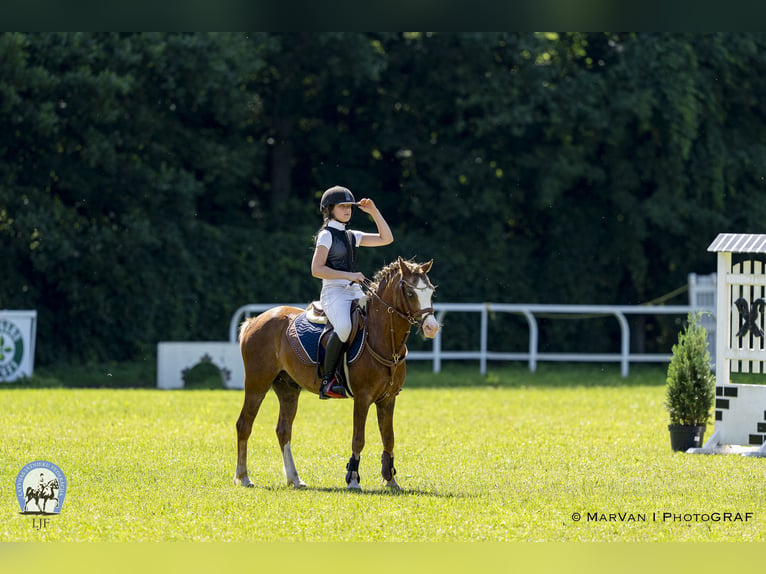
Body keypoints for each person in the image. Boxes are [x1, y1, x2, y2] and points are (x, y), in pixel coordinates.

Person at [311, 185, 394, 399]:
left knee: (377, 319)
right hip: (333, 293)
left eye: (349, 206)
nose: (348, 210)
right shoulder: (326, 236)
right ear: (330, 209)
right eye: (342, 206)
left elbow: (386, 238)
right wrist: (349, 275)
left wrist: (374, 212)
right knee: (346, 327)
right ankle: (328, 381)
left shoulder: (351, 235)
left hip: (354, 291)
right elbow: (316, 270)